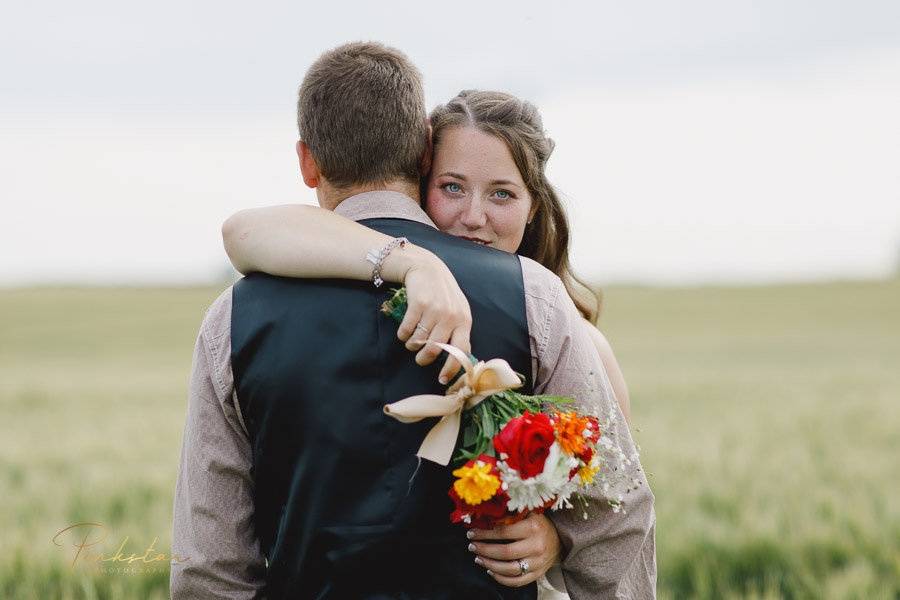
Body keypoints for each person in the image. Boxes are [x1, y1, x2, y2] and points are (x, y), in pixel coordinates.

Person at [171, 42, 655, 599]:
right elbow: (617, 515)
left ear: (307, 162)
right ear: (425, 149)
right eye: (455, 187)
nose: (474, 215)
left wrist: (556, 538)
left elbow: (211, 563)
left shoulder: (232, 317)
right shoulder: (535, 297)